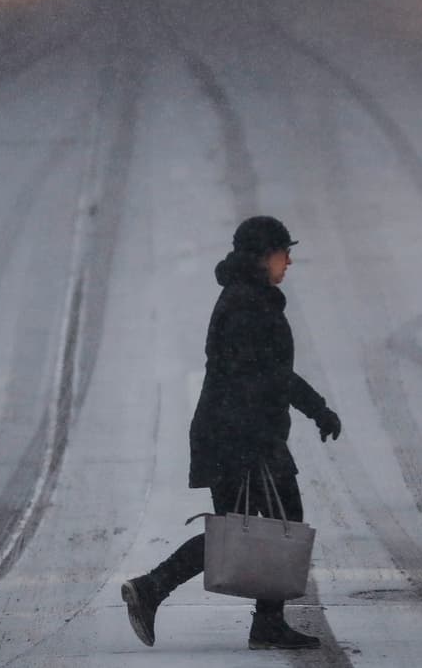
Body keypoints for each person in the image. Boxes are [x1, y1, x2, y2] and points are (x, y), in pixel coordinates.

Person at [122, 215, 343, 651]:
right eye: (283, 252)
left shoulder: (249, 298)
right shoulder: (247, 305)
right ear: (263, 256)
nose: (289, 261)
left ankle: (165, 592)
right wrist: (316, 409)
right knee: (272, 526)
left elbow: (268, 373)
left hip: (235, 432)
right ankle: (157, 589)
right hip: (241, 435)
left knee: (246, 530)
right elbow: (266, 375)